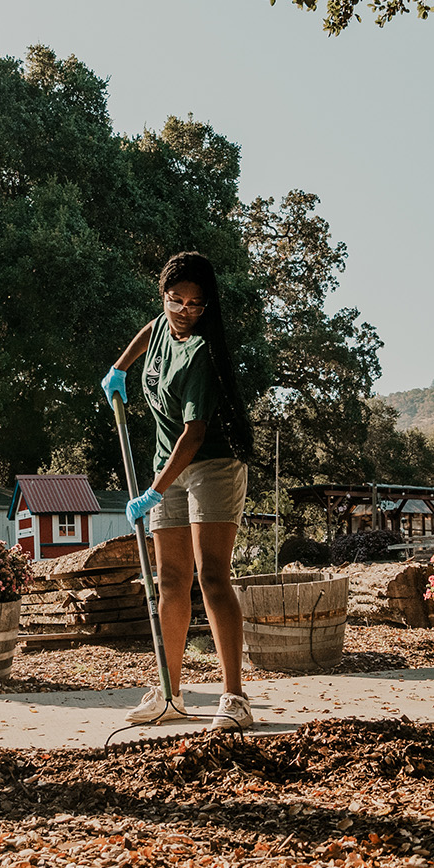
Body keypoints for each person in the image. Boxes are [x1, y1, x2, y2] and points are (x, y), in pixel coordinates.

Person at [102, 251, 255, 730]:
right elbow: (149, 330)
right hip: (166, 469)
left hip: (211, 464)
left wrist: (152, 492)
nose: (184, 311)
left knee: (211, 576)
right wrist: (120, 367)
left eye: (195, 304)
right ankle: (169, 692)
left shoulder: (203, 353)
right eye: (176, 300)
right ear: (163, 296)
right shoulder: (163, 325)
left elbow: (192, 435)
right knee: (169, 580)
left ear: (208, 305)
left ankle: (234, 698)